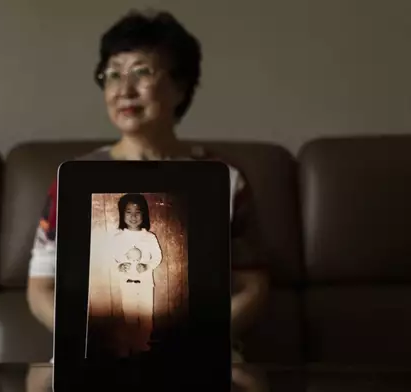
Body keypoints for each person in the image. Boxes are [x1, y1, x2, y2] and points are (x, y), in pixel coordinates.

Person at [26, 9, 269, 392]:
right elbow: (40, 288)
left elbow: (252, 286)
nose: (123, 89)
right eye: (112, 74)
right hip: (93, 351)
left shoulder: (226, 178)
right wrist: (90, 333)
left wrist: (200, 334)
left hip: (199, 354)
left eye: (141, 72)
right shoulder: (73, 178)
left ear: (179, 86)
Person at [111, 193, 162, 357]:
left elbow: (157, 257)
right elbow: (110, 257)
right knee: (130, 317)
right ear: (122, 214)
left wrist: (147, 265)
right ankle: (128, 345)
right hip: (126, 284)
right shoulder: (117, 237)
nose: (133, 216)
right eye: (128, 211)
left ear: (144, 214)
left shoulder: (150, 237)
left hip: (146, 284)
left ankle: (143, 345)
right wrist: (119, 266)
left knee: (147, 317)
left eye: (137, 211)